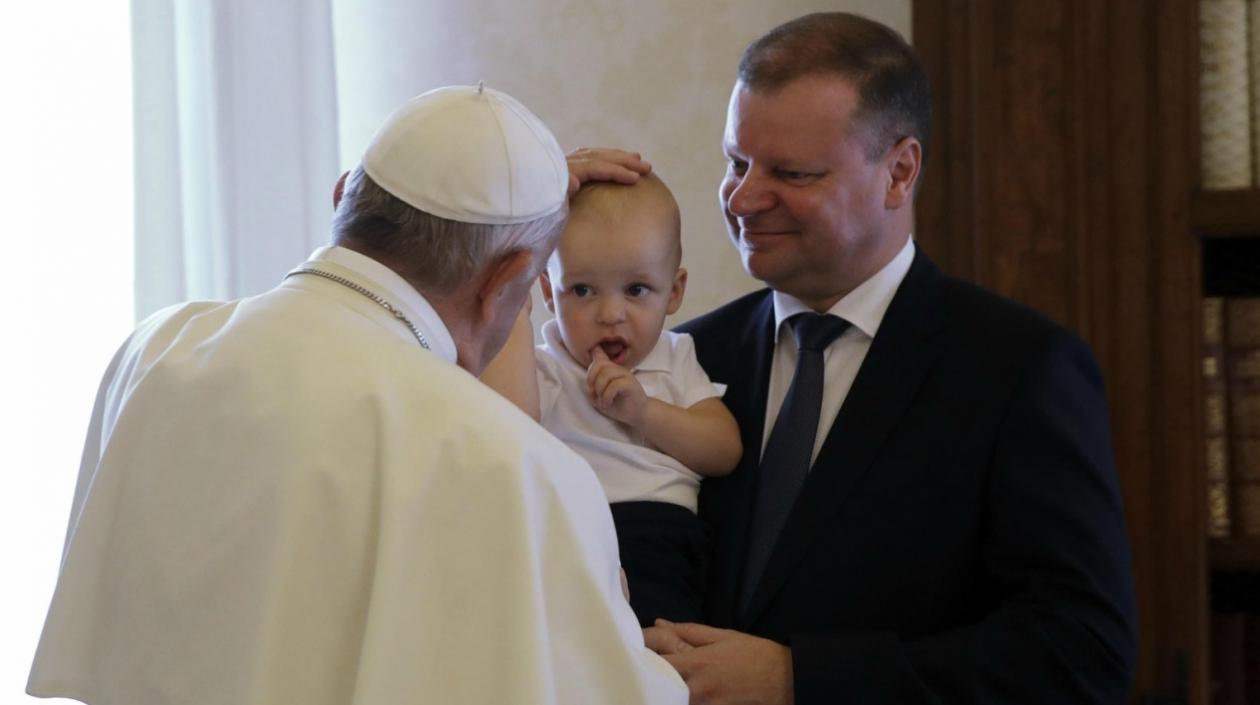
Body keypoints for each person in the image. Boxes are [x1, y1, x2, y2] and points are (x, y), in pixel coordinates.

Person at [27, 85, 686, 705]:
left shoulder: (157, 348)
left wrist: (524, 217)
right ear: (506, 281)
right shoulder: (513, 464)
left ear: (344, 194)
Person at [577, 11, 1136, 705]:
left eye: (791, 172)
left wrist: (798, 677)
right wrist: (537, 218)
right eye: (735, 161)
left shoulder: (1021, 368)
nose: (743, 198)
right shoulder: (682, 358)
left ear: (899, 172)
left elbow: (1081, 652)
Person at [482, 174, 741, 627]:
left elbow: (724, 450)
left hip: (661, 538)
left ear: (674, 292)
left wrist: (645, 412)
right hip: (569, 534)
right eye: (581, 290)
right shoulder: (541, 368)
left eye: (636, 290)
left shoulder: (675, 358)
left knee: (661, 657)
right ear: (546, 291)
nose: (610, 314)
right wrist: (513, 296)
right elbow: (504, 428)